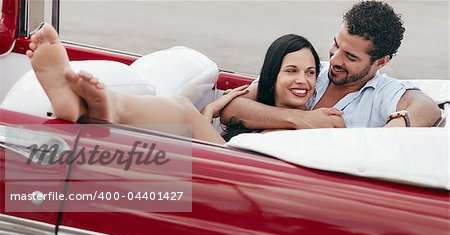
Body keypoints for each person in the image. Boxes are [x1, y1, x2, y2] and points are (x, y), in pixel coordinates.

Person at [27, 24, 336, 144]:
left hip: (257, 179)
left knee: (185, 111)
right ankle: (84, 105)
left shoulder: (327, 120)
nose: (303, 80)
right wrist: (213, 110)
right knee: (184, 115)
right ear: (273, 77)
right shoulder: (255, 109)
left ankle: (105, 105)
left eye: (310, 73)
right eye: (292, 71)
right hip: (234, 164)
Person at [220, 0, 441, 130]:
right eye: (336, 44)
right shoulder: (310, 70)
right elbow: (231, 108)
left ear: (381, 61)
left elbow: (427, 108)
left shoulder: (382, 93)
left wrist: (394, 131)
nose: (335, 60)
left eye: (350, 57)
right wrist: (303, 119)